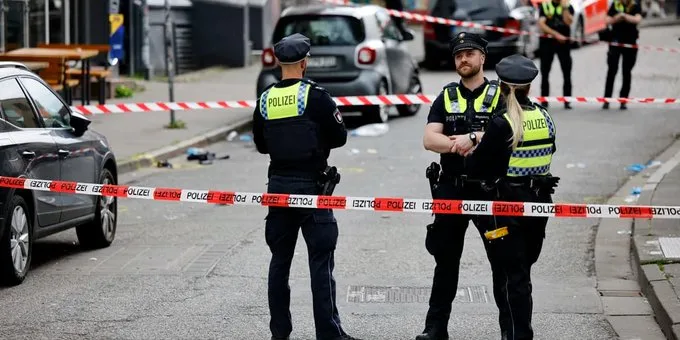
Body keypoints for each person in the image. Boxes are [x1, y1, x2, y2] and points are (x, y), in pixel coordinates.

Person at [252, 33, 360, 340]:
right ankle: (329, 334)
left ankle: (279, 333)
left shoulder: (266, 98)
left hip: (279, 187)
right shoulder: (316, 96)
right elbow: (339, 136)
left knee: (279, 262)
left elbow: (261, 144)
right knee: (321, 263)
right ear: (304, 63)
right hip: (313, 188)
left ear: (277, 63)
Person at [463, 54, 560, 340]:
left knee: (509, 275)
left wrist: (473, 143)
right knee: (522, 273)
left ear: (502, 87)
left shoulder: (502, 123)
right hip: (539, 205)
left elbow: (477, 167)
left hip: (506, 207)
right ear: (529, 87)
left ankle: (517, 334)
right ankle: (518, 331)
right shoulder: (544, 116)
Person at [418, 31, 504, 340]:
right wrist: (461, 144)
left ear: (482, 58)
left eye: (469, 53)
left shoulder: (499, 95)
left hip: (489, 191)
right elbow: (430, 139)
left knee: (502, 263)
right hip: (451, 189)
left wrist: (473, 137)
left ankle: (510, 330)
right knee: (446, 262)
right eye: (458, 55)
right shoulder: (446, 96)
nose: (463, 59)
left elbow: (508, 133)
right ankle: (435, 329)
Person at [602, 0, 643, 110]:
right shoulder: (615, 4)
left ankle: (623, 100)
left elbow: (638, 19)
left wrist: (624, 16)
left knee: (627, 71)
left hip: (630, 42)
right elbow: (606, 20)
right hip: (616, 41)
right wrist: (617, 17)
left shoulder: (635, 4)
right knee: (612, 70)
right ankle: (607, 99)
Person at [537, 0, 575, 110]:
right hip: (547, 44)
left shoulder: (568, 6)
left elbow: (568, 22)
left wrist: (564, 9)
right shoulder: (545, 6)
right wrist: (556, 34)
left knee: (566, 71)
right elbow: (541, 24)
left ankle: (567, 100)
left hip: (563, 45)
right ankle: (544, 100)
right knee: (545, 72)